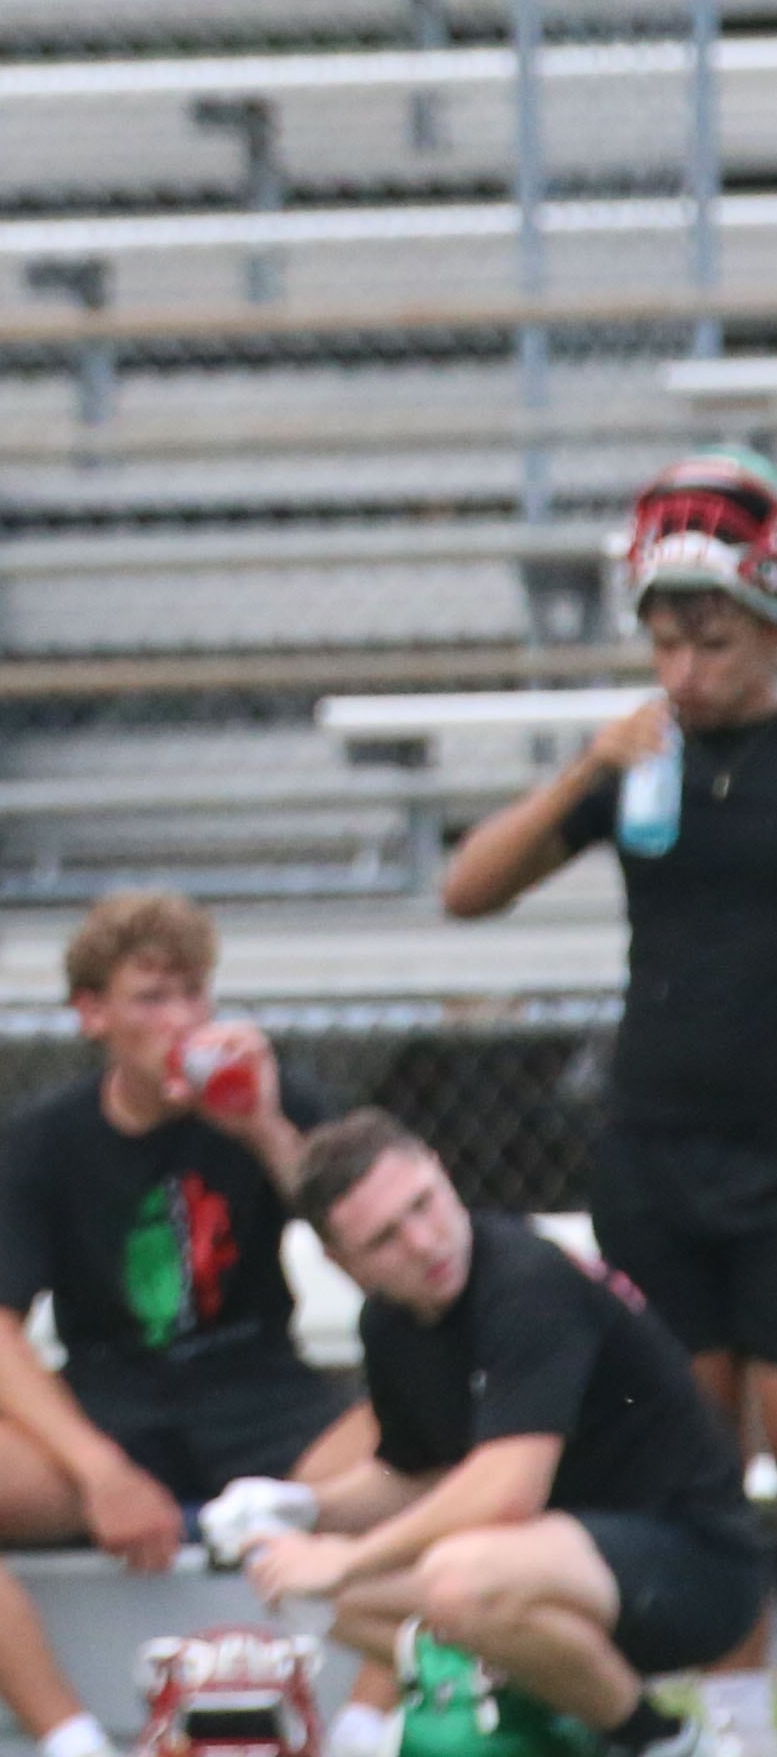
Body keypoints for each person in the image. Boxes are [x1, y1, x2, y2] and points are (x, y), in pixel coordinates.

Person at [441, 449, 777, 1747]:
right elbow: (467, 890)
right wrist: (583, 774)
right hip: (659, 1148)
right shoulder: (637, 764)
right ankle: (738, 1712)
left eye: (709, 640)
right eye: (663, 642)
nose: (684, 672)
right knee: (700, 1453)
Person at [0, 891, 379, 1757]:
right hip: (113, 1402)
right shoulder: (48, 1139)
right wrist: (99, 1469)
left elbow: (376, 1253)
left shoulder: (274, 1100)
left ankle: (366, 1728)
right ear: (93, 1014)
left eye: (196, 994)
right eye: (153, 998)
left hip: (263, 1391)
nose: (183, 1019)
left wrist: (262, 1127)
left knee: (453, 1453)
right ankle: (70, 1740)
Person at [246, 1111, 766, 1757]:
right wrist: (297, 1510)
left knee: (457, 1579)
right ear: (340, 1261)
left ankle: (664, 1741)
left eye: (423, 1205)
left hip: (695, 1567)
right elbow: (411, 1476)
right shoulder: (388, 1324)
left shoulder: (524, 1280)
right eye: (384, 1238)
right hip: (564, 1568)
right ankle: (550, 1711)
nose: (423, 1242)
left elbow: (505, 1492)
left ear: (440, 1170)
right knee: (312, 1595)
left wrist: (345, 1559)